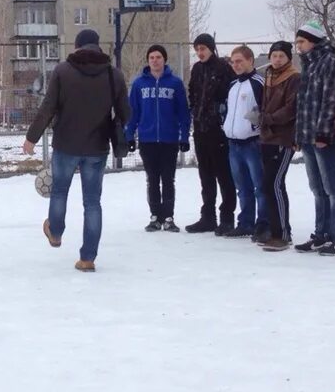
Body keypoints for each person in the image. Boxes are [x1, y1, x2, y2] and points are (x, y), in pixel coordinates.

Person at [22, 28, 130, 272]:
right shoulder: (114, 75)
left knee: (59, 191)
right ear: (98, 46)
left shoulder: (63, 71)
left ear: (78, 46)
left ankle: (56, 233)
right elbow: (126, 113)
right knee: (92, 203)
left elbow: (48, 107)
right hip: (97, 147)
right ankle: (88, 258)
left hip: (66, 145)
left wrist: (32, 137)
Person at [293, 20, 335, 255]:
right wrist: (299, 134)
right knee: (317, 188)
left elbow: (331, 101)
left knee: (331, 187)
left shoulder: (330, 63)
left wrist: (323, 132)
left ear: (313, 41)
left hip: (323, 138)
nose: (298, 47)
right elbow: (303, 104)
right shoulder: (309, 65)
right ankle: (321, 233)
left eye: (302, 42)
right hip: (307, 136)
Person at [124, 44, 191, 232]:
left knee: (168, 179)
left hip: (169, 140)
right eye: (152, 57)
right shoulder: (139, 84)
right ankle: (155, 217)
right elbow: (133, 113)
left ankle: (168, 217)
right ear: (148, 60)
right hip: (148, 139)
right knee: (152, 179)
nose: (155, 60)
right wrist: (130, 136)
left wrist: (184, 137)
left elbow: (183, 113)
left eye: (158, 57)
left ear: (164, 60)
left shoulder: (175, 83)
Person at [185, 33, 236, 235]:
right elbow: (192, 92)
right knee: (205, 175)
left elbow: (230, 95)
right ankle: (208, 217)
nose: (200, 52)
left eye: (203, 49)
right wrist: (195, 111)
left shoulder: (224, 68)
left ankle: (227, 218)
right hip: (200, 128)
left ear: (211, 49)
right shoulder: (197, 69)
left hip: (219, 130)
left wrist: (219, 114)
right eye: (197, 49)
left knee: (224, 175)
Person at [258, 41, 300, 251]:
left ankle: (282, 233)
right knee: (272, 185)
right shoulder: (268, 75)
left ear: (288, 58)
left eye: (281, 56)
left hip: (282, 137)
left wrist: (270, 119)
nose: (277, 60)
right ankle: (277, 229)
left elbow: (291, 108)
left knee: (272, 184)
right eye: (274, 55)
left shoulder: (293, 77)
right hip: (267, 137)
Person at [222, 45, 266, 239]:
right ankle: (245, 222)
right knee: (242, 186)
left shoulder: (258, 83)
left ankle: (263, 224)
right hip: (234, 144)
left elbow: (264, 110)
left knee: (260, 185)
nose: (236, 65)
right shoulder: (233, 85)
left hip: (252, 143)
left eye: (240, 61)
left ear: (250, 61)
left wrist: (255, 127)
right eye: (233, 61)